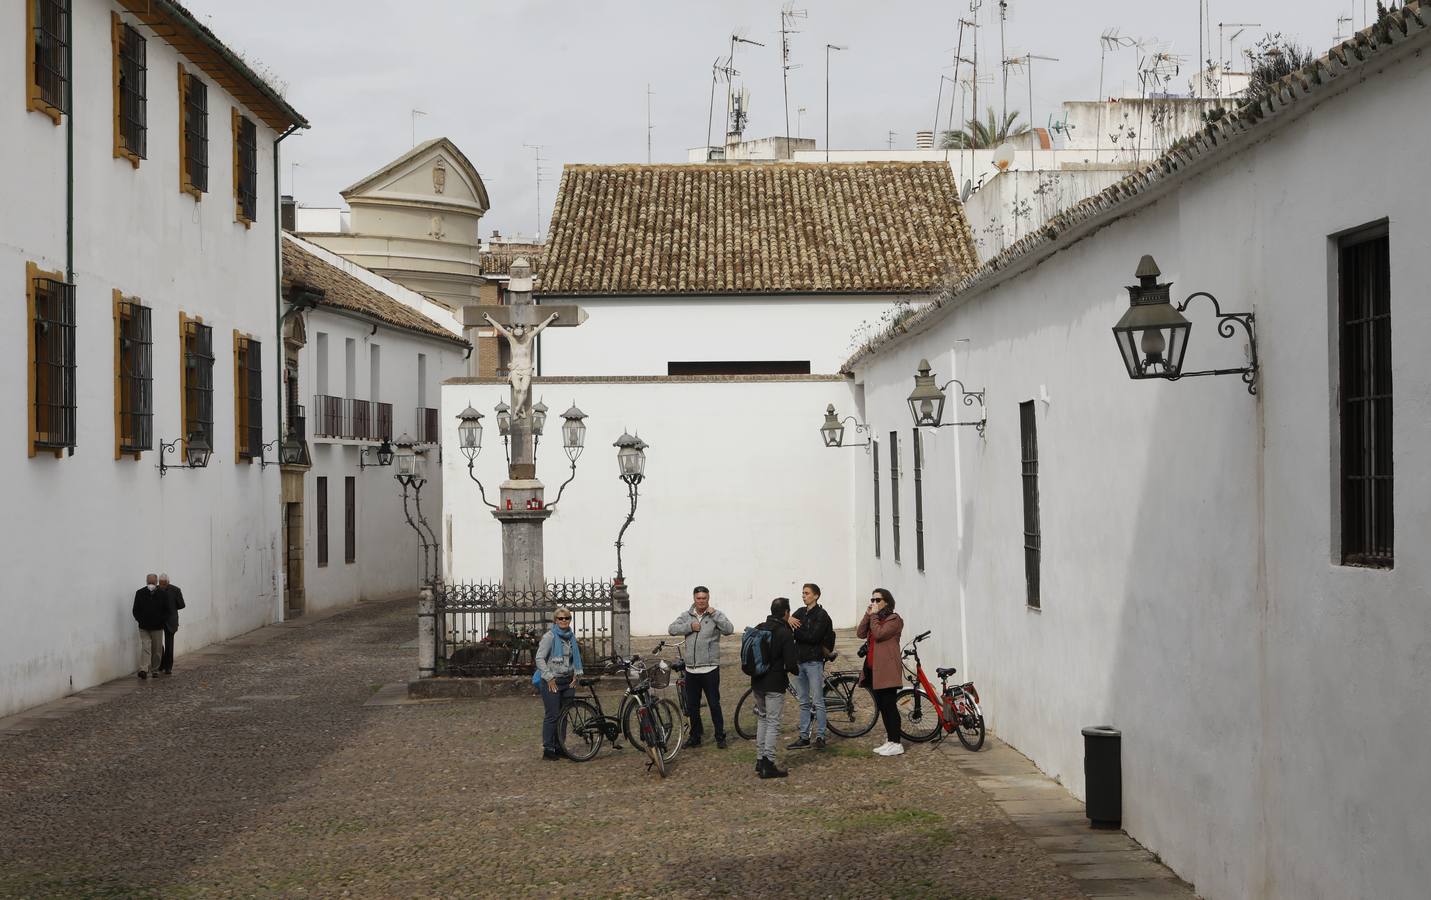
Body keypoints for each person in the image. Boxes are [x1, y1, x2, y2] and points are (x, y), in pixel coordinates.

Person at [667, 585, 734, 749]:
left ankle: (720, 736)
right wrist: (689, 627)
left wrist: (715, 614)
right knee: (692, 706)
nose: (701, 601)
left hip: (710, 668)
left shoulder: (715, 615)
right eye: (699, 598)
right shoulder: (686, 615)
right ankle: (695, 736)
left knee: (714, 704)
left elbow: (729, 629)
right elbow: (672, 629)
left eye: (704, 598)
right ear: (694, 599)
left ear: (708, 598)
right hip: (691, 669)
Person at [750, 597, 800, 778]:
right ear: (786, 613)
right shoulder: (784, 632)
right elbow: (791, 663)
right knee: (773, 722)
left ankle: (759, 759)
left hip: (757, 681)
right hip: (775, 683)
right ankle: (768, 763)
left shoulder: (759, 627)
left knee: (762, 719)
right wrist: (797, 670)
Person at [857, 588, 905, 756]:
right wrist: (867, 614)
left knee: (890, 705)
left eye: (878, 600)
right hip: (873, 669)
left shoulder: (894, 619)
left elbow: (878, 634)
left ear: (887, 602)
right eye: (873, 599)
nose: (874, 603)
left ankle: (897, 742)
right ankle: (891, 740)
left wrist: (873, 616)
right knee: (883, 706)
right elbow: (860, 633)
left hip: (887, 669)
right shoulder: (874, 617)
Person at [786, 582, 835, 751]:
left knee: (818, 701)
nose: (804, 596)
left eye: (807, 593)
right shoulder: (800, 612)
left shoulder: (822, 615)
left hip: (814, 661)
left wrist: (795, 629)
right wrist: (789, 621)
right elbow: (788, 626)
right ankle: (804, 736)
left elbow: (813, 636)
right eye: (803, 593)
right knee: (803, 702)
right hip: (800, 661)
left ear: (816, 595)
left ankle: (821, 736)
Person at [534, 606, 584, 760]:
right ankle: (548, 748)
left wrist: (577, 675)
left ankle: (560, 746)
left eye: (567, 618)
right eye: (560, 618)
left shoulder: (571, 637)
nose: (564, 621)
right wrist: (548, 677)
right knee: (552, 715)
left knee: (564, 715)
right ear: (555, 620)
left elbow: (574, 660)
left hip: (568, 681)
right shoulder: (550, 637)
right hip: (552, 682)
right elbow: (539, 658)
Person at [131, 574, 173, 680]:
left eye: (153, 583)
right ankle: (144, 669)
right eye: (149, 582)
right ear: (146, 581)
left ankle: (155, 670)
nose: (151, 585)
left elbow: (167, 611)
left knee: (157, 650)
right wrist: (140, 619)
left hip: (157, 627)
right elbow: (135, 610)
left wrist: (161, 621)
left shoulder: (162, 594)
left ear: (156, 582)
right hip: (144, 627)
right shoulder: (140, 593)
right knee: (146, 647)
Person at [157, 573, 186, 676]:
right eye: (160, 583)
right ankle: (161, 664)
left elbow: (182, 604)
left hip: (170, 621)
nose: (162, 585)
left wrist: (172, 607)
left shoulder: (175, 590)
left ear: (168, 582)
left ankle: (168, 666)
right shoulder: (155, 590)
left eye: (164, 583)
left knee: (169, 644)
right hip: (158, 621)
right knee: (158, 644)